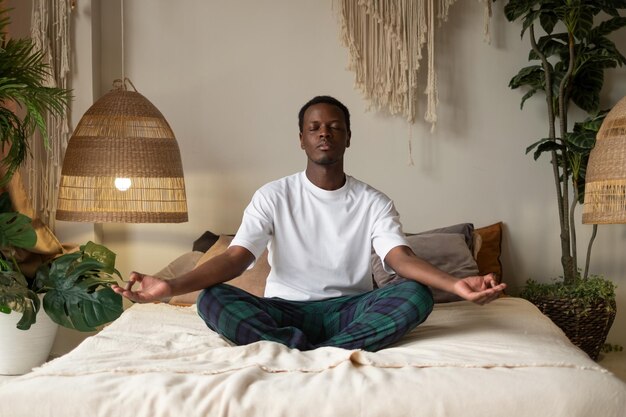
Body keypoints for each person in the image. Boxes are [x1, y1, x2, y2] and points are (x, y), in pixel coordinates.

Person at [112, 95, 506, 352]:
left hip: (350, 308)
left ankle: (309, 350)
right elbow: (235, 258)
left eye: (334, 127)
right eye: (315, 127)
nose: (324, 133)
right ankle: (329, 349)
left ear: (348, 138)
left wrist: (455, 284)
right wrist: (171, 286)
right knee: (213, 298)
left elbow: (399, 258)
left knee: (416, 295)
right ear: (301, 139)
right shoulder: (273, 196)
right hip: (284, 309)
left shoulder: (373, 201)